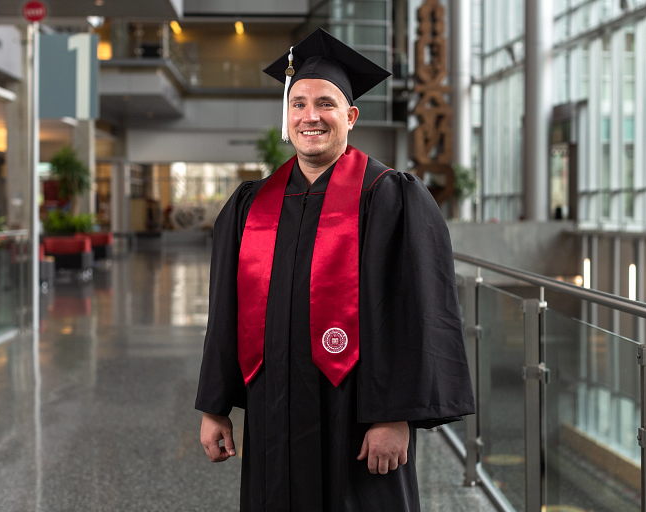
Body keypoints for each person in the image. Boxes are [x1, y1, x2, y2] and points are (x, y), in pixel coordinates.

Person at [195, 28, 475, 512]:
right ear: (288, 117)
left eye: (325, 103)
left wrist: (395, 417)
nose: (310, 116)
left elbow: (422, 313)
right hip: (273, 411)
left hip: (358, 417)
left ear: (350, 116)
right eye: (299, 103)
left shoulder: (391, 197)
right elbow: (225, 309)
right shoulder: (250, 205)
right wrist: (214, 407)